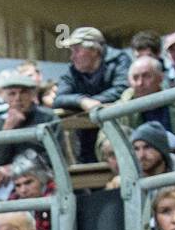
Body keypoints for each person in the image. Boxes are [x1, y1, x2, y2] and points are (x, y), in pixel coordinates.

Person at [56, 26, 131, 160]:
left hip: (119, 127)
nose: (72, 57)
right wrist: (82, 101)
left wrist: (94, 102)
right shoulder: (73, 70)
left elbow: (122, 89)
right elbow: (59, 98)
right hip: (86, 134)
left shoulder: (119, 60)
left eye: (77, 50)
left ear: (94, 50)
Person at [113, 56, 175, 156]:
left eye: (146, 76)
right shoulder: (120, 110)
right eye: (135, 78)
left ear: (160, 78)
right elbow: (104, 142)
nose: (140, 83)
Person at [0, 74, 59, 185]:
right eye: (12, 94)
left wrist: (17, 167)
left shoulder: (48, 118)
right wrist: (6, 130)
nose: (18, 98)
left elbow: (57, 155)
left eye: (23, 92)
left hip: (43, 178)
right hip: (7, 183)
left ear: (32, 95)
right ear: (5, 97)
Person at [9, 156, 54, 230]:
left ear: (42, 178)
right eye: (18, 185)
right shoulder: (12, 202)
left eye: (28, 182)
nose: (23, 190)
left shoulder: (56, 196)